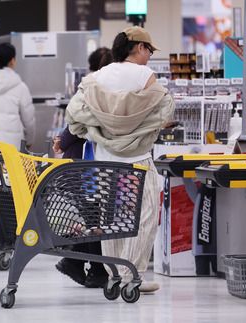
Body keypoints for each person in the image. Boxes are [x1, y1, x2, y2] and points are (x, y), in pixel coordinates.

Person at [65, 26, 175, 293]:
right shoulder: (145, 76)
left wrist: (95, 129)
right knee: (146, 214)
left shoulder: (97, 78)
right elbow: (166, 111)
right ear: (138, 48)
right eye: (149, 50)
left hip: (105, 162)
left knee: (111, 219)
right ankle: (132, 273)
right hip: (137, 160)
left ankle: (114, 272)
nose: (149, 56)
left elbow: (74, 114)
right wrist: (140, 128)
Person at [52, 47, 113, 288]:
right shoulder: (111, 93)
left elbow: (75, 126)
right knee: (94, 218)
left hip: (83, 168)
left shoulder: (90, 90)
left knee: (91, 218)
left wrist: (62, 140)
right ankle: (91, 268)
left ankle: (78, 263)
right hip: (96, 167)